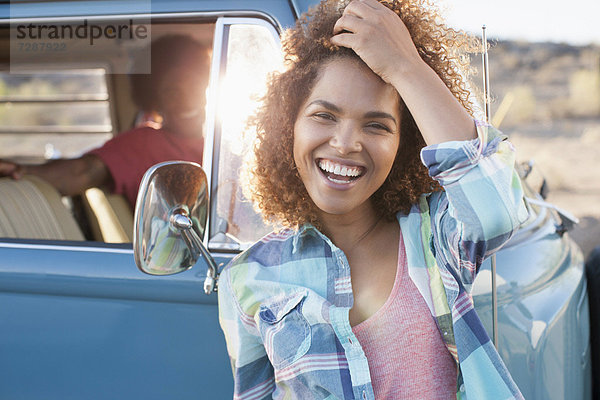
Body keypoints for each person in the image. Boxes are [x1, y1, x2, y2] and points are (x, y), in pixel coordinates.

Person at [218, 0, 528, 399]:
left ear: (405, 144)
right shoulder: (246, 278)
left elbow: (496, 207)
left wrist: (406, 67)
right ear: (287, 127)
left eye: (377, 125)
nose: (345, 144)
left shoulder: (434, 236)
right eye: (324, 116)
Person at [0, 34, 210, 209]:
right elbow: (81, 172)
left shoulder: (221, 145)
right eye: (172, 90)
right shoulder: (144, 144)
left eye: (196, 82)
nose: (186, 97)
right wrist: (22, 171)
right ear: (152, 97)